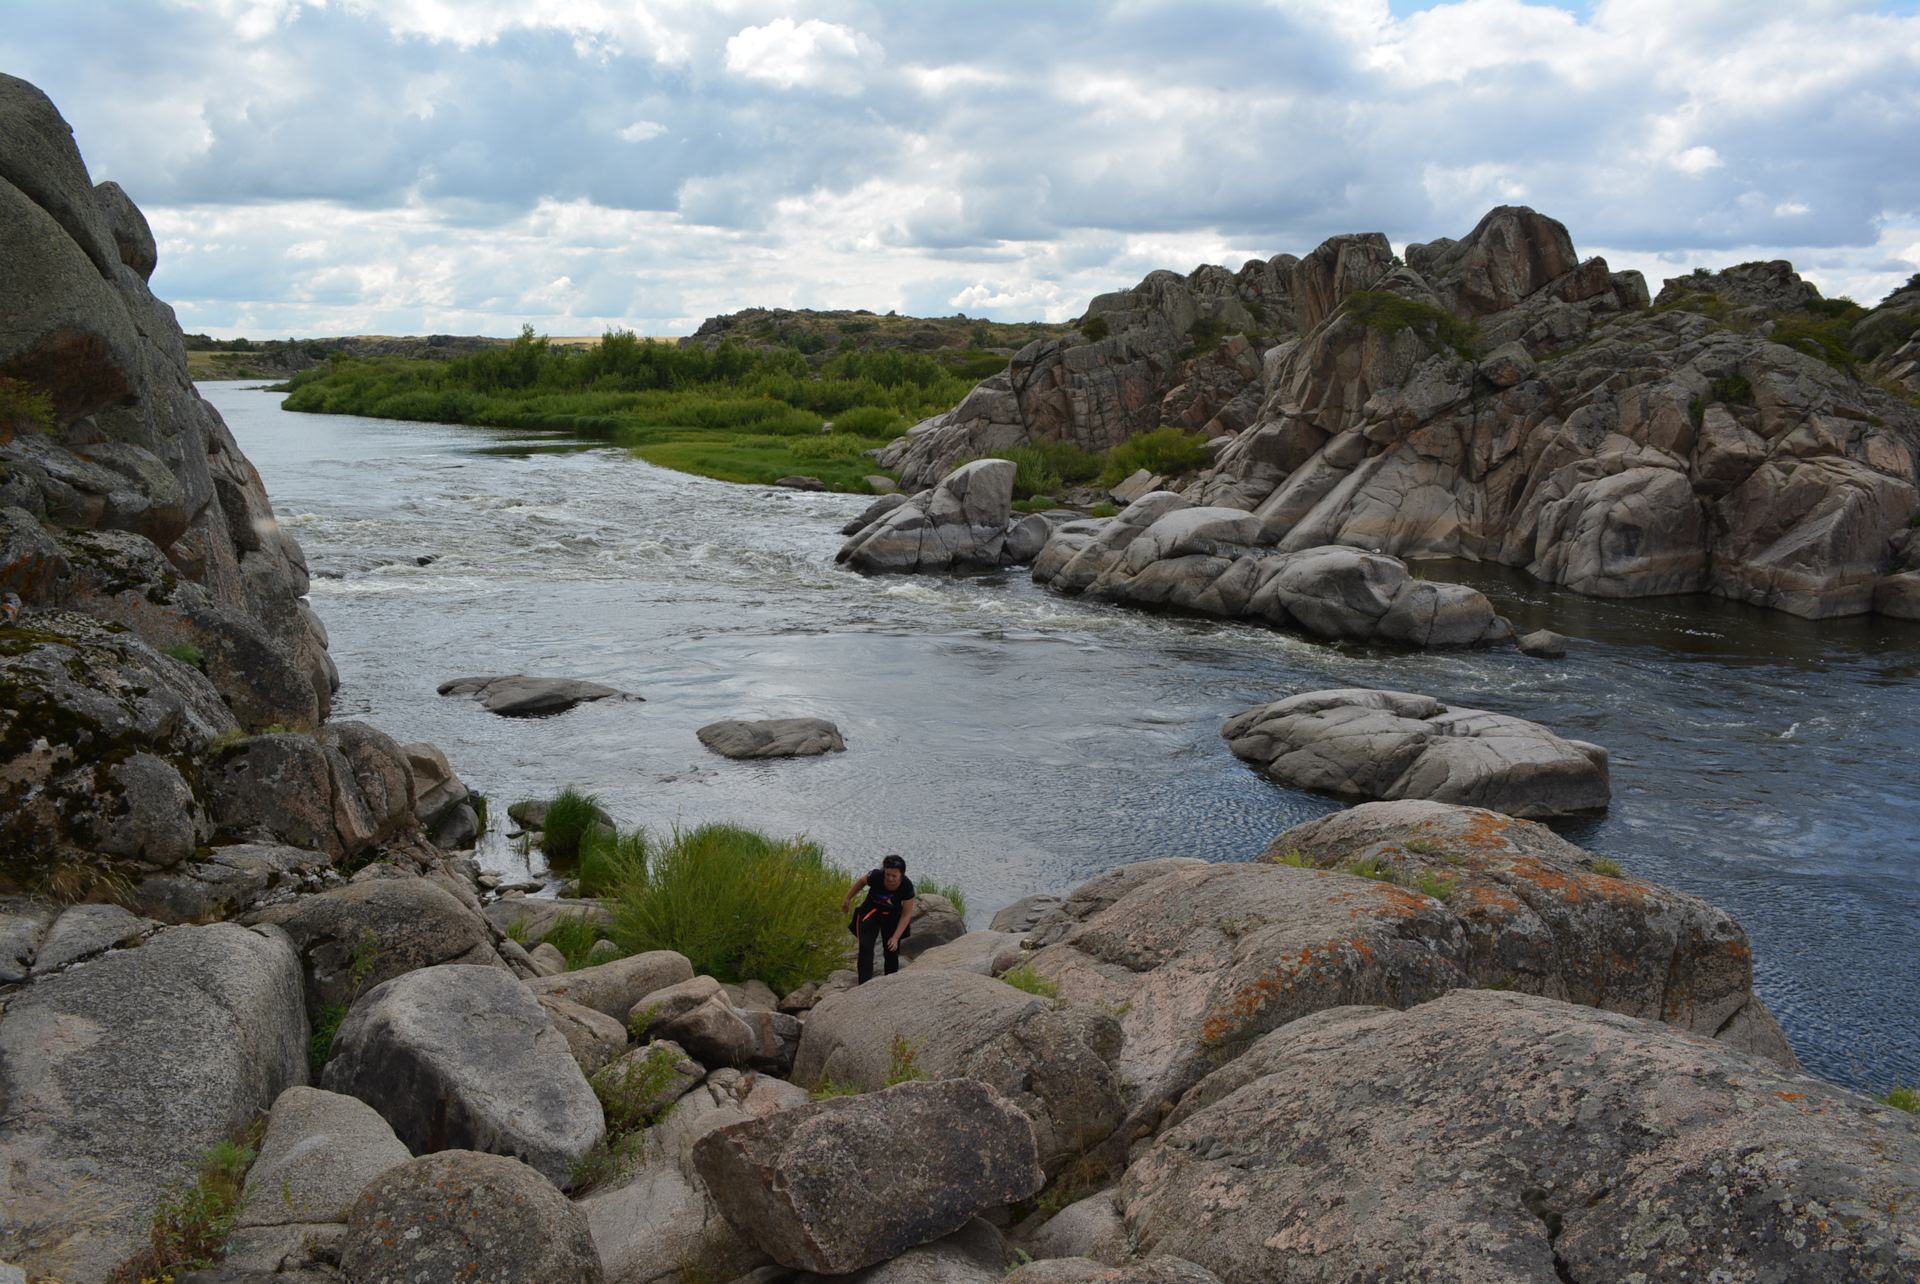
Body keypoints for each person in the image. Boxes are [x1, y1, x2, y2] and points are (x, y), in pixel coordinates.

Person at [843, 854, 916, 984]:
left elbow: (906, 915)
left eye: (894, 876)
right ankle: (864, 984)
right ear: (884, 871)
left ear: (902, 875)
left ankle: (890, 983)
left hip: (892, 916)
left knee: (891, 950)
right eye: (888, 874)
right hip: (871, 912)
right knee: (865, 947)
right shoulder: (876, 876)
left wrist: (895, 937)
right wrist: (848, 899)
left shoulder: (907, 886)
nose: (890, 879)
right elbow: (861, 882)